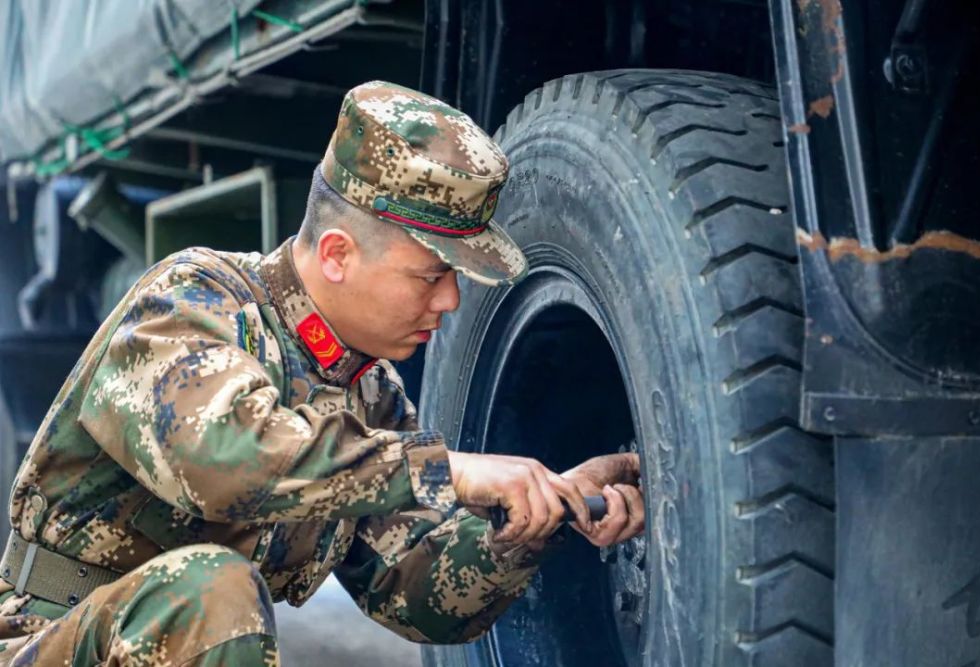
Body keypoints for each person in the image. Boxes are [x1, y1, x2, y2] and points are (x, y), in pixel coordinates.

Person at [0, 80, 644, 665]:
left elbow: (415, 597)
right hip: (46, 635)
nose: (449, 300)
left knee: (214, 593)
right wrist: (452, 470)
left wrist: (527, 524)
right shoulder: (193, 300)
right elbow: (227, 461)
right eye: (431, 275)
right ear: (338, 254)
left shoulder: (368, 395)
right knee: (212, 590)